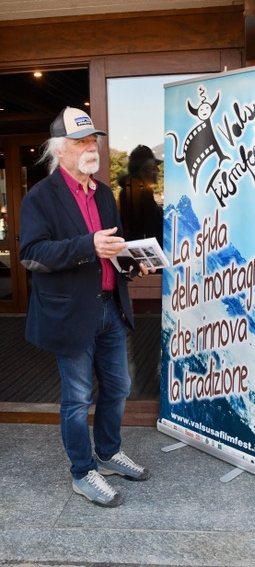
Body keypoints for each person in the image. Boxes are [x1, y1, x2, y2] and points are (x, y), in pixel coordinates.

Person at [19, 107, 155, 508]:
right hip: (70, 313)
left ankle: (109, 454)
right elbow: (32, 254)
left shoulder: (104, 193)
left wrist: (131, 260)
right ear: (61, 151)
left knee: (118, 387)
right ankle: (82, 471)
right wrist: (87, 246)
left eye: (92, 140)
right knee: (77, 398)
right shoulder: (40, 197)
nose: (90, 147)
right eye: (81, 142)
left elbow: (112, 243)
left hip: (109, 307)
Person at [118, 144, 164, 246]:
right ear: (145, 170)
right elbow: (147, 228)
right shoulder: (138, 191)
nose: (158, 171)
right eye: (154, 167)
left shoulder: (130, 189)